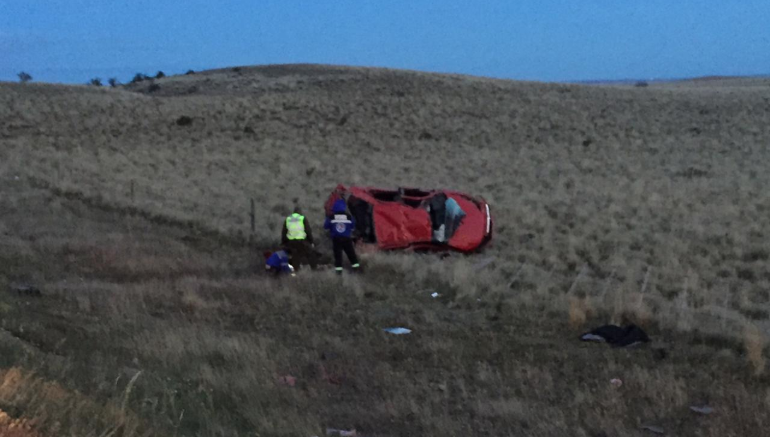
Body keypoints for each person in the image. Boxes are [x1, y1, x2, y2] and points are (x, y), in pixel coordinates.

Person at [324, 198, 360, 274]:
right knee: (351, 255)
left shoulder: (331, 217)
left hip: (336, 239)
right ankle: (357, 270)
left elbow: (326, 226)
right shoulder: (349, 216)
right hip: (347, 238)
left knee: (338, 256)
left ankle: (339, 273)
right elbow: (353, 226)